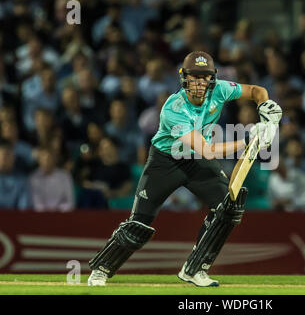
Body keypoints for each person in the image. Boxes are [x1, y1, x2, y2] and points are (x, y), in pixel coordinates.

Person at [87, 51, 282, 287]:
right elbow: (207, 151)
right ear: (184, 78)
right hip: (166, 160)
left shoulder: (220, 89)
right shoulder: (173, 109)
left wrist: (266, 109)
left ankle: (195, 269)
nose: (200, 83)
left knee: (228, 208)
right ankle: (101, 269)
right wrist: (250, 139)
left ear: (212, 78)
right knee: (139, 223)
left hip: (196, 161)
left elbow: (256, 91)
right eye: (194, 77)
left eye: (205, 77)